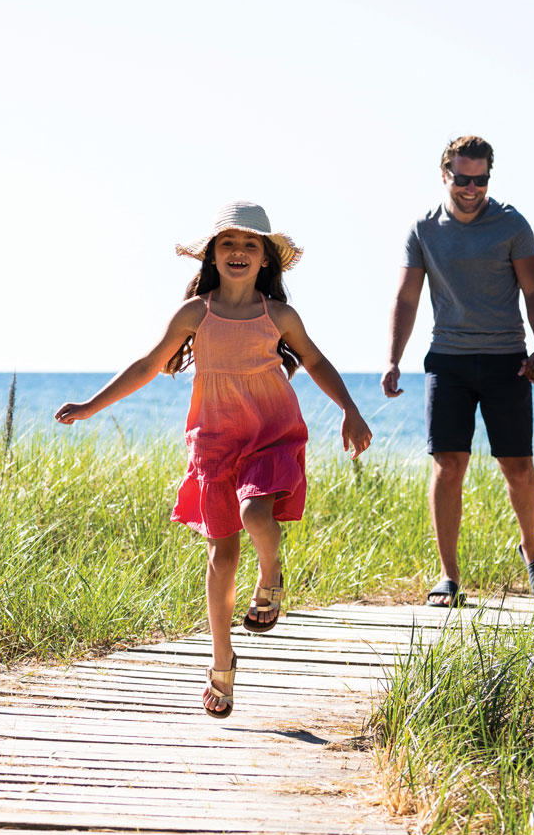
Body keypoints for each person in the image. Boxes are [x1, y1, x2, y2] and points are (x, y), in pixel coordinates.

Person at [57, 202, 372, 718]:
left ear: (266, 258)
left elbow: (314, 361)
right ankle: (221, 661)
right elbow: (148, 364)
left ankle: (270, 575)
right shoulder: (194, 313)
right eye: (228, 243)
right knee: (222, 557)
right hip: (215, 443)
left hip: (271, 432)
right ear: (212, 256)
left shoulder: (279, 316)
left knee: (256, 513)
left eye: (250, 244)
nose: (239, 252)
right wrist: (92, 406)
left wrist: (350, 410)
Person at [382, 135, 534, 607]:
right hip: (448, 359)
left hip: (506, 359)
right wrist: (394, 358)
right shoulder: (423, 229)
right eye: (463, 179)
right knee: (448, 465)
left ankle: (531, 546)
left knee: (517, 467)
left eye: (481, 180)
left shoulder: (512, 224)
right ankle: (449, 575)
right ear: (445, 175)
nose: (472, 189)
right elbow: (406, 297)